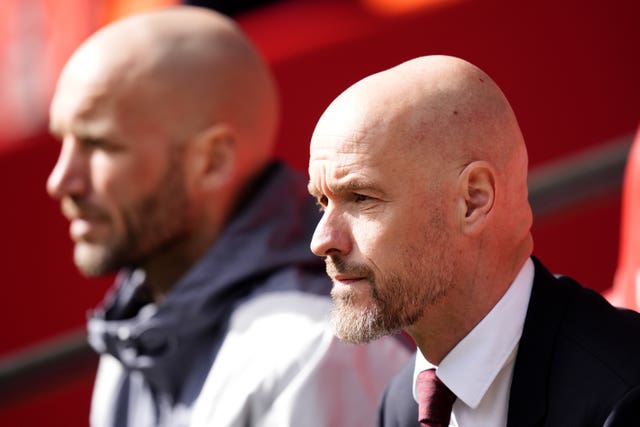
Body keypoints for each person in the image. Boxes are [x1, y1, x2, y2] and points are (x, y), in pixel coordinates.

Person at [46, 6, 411, 427]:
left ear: (213, 160)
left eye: (100, 145)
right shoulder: (133, 342)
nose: (61, 180)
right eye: (64, 141)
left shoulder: (312, 353)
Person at [306, 55, 640, 427]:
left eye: (362, 198)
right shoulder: (402, 401)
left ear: (473, 200)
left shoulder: (623, 396)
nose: (321, 240)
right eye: (322, 202)